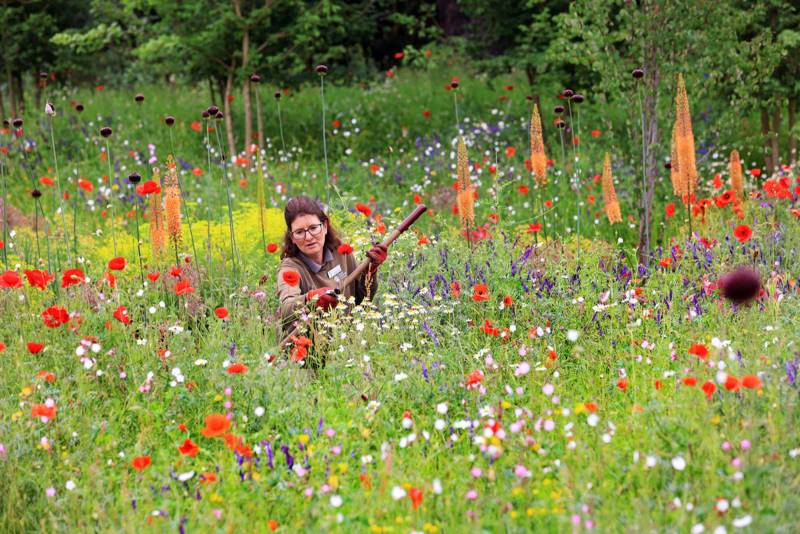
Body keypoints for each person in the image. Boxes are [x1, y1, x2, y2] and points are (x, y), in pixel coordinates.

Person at [275, 196, 387, 349]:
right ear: (292, 237)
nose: (309, 237)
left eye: (314, 228)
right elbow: (286, 308)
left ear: (325, 226)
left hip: (346, 349)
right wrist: (311, 299)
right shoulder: (290, 268)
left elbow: (362, 299)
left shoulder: (341, 251)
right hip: (309, 355)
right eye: (299, 232)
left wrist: (370, 272)